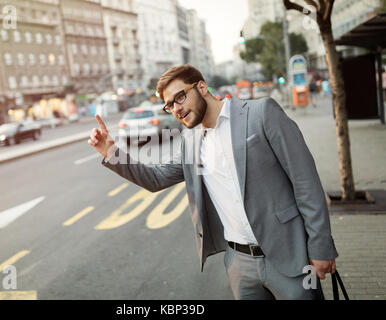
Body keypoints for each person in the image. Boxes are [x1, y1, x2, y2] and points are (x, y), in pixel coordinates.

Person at [88, 64, 338, 300]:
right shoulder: (190, 141)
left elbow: (305, 182)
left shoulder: (261, 113)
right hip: (240, 266)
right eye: (168, 106)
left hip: (292, 257)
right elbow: (156, 178)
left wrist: (321, 247)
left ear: (202, 87)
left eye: (180, 97)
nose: (175, 108)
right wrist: (111, 151)